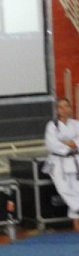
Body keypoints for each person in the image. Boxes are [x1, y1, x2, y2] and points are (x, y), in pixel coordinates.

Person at [43, 97, 79, 231]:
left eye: (67, 106)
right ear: (57, 110)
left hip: (74, 161)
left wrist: (71, 143)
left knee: (77, 190)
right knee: (63, 189)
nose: (64, 109)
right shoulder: (52, 125)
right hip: (58, 162)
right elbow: (51, 144)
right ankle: (77, 207)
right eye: (61, 107)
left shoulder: (76, 124)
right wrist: (70, 145)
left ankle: (76, 223)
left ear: (70, 108)